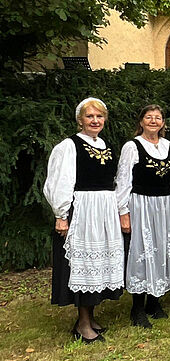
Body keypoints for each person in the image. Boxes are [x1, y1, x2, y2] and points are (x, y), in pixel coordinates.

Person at [44, 97, 125, 342]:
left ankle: (89, 316)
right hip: (83, 211)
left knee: (97, 266)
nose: (95, 120)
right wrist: (61, 215)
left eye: (99, 116)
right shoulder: (69, 146)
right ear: (80, 120)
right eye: (90, 116)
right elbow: (60, 181)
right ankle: (82, 323)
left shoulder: (106, 145)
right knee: (83, 265)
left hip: (104, 210)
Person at [117, 105, 170, 328]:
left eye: (158, 118)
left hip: (167, 205)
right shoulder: (132, 146)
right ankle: (137, 307)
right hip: (142, 205)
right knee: (143, 251)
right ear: (141, 121)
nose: (154, 121)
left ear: (163, 122)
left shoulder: (168, 146)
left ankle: (155, 302)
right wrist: (123, 212)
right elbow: (123, 180)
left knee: (163, 250)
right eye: (149, 117)